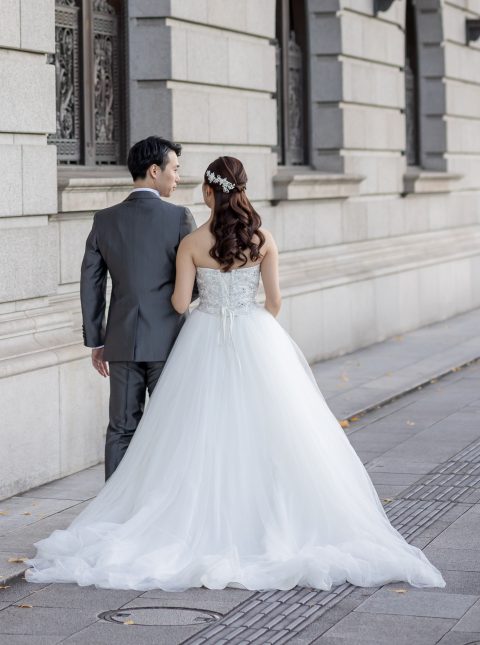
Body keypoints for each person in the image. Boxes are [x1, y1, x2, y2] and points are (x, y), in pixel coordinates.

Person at [27, 156, 444, 592]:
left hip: (204, 338)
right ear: (242, 190)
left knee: (191, 431)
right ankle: (265, 515)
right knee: (271, 428)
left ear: (210, 192)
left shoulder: (192, 242)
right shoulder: (264, 240)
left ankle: (157, 513)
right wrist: (251, 320)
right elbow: (276, 301)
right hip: (255, 334)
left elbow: (179, 303)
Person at [80, 135, 196, 479]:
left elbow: (92, 283)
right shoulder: (179, 218)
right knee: (170, 425)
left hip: (122, 341)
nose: (177, 177)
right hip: (170, 341)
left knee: (121, 427)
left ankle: (113, 509)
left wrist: (96, 340)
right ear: (154, 170)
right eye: (174, 169)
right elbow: (194, 282)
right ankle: (163, 503)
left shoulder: (104, 219)